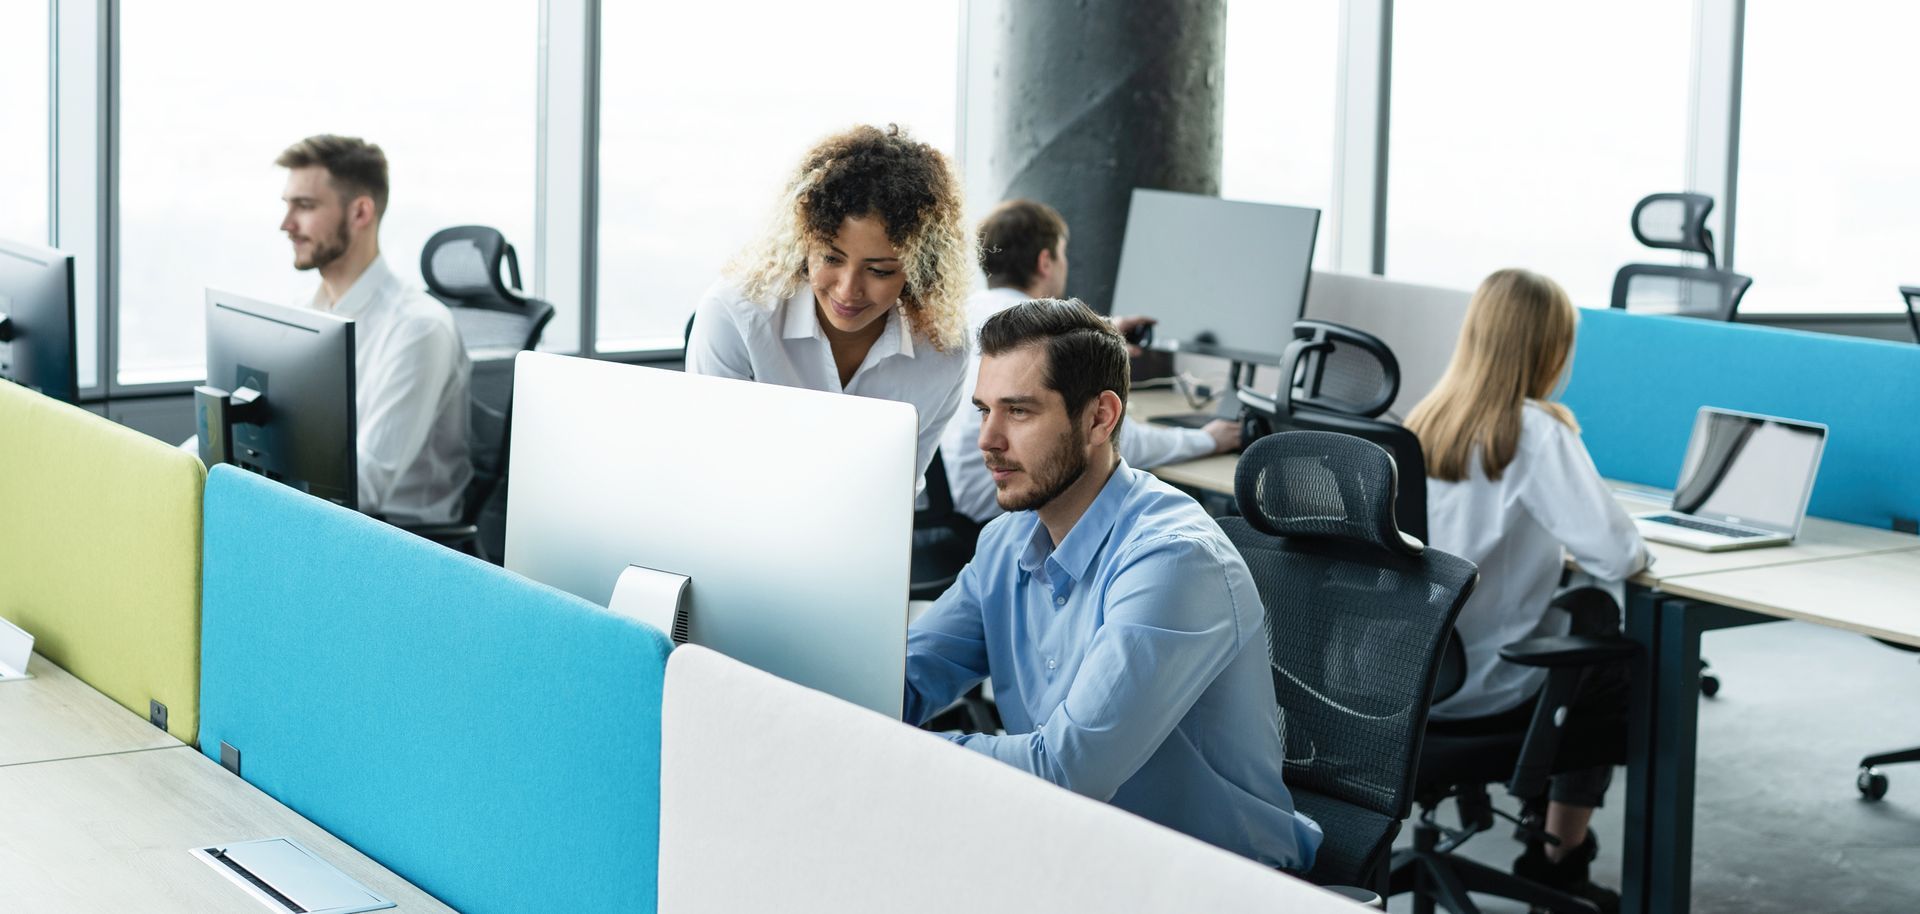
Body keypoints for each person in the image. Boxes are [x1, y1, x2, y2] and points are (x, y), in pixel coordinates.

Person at [903, 298, 1322, 872]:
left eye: (1019, 412)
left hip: (1209, 879)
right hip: (1077, 848)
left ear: (1100, 418)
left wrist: (892, 752)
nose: (988, 440)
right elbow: (906, 675)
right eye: (983, 411)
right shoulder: (1006, 544)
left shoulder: (1173, 560)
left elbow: (1066, 771)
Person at [1405, 268, 1647, 912]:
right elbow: (1620, 554)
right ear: (1549, 349)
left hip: (1408, 685)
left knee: (1580, 609)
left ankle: (1543, 824)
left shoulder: (1425, 420)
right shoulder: (1536, 430)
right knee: (1610, 639)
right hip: (1489, 682)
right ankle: (1559, 857)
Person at [685, 124, 972, 487]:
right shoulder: (735, 313)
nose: (848, 290)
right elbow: (715, 470)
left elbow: (895, 493)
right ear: (805, 243)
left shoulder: (943, 349)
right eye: (831, 259)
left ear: (918, 271)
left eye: (880, 271)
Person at [940, 199, 1238, 528]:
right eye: (1062, 253)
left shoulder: (960, 316)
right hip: (997, 505)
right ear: (1045, 261)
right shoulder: (1012, 332)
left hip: (948, 508)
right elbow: (1120, 439)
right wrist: (1210, 439)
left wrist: (1099, 336)